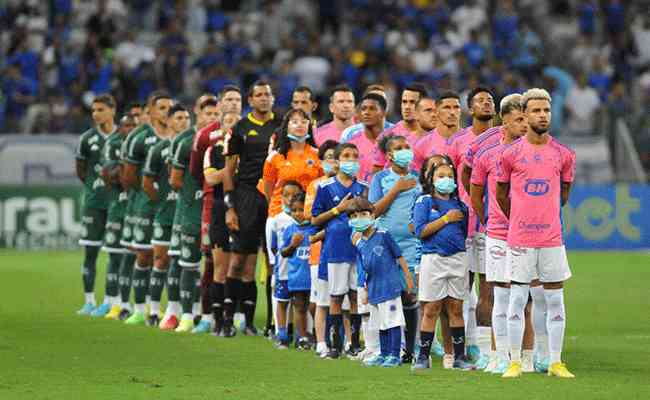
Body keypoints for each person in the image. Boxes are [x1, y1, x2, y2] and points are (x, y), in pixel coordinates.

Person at [496, 88, 576, 379]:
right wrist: (519, 218)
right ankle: (514, 362)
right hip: (520, 239)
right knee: (517, 300)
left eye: (546, 110)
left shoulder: (563, 154)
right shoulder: (510, 154)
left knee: (555, 301)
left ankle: (555, 361)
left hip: (552, 240)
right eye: (536, 111)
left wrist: (544, 216)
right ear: (525, 116)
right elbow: (501, 193)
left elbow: (564, 193)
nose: (542, 115)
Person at [469, 93, 531, 373]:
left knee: (525, 297)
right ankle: (496, 355)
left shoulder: (534, 153)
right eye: (519, 119)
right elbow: (475, 190)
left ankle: (525, 357)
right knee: (498, 295)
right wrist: (487, 219)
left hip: (528, 234)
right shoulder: (487, 154)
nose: (525, 124)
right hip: (497, 232)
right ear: (503, 121)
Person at [222, 80, 282, 337]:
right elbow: (228, 169)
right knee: (239, 261)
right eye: (259, 95)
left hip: (274, 195)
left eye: (268, 94)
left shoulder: (281, 125)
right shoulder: (240, 128)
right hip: (246, 195)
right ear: (250, 100)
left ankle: (268, 323)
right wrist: (230, 206)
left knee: (272, 263)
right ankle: (227, 320)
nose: (264, 98)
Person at [160, 94, 218, 330]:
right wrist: (194, 193)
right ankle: (180, 313)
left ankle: (208, 313)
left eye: (216, 114)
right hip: (190, 210)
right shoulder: (184, 140)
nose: (213, 118)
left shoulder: (224, 138)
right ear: (199, 115)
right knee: (184, 261)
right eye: (208, 114)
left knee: (214, 264)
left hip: (215, 209)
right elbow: (174, 180)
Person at [448, 86, 496, 361]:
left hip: (492, 223)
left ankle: (485, 350)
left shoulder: (503, 138)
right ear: (470, 108)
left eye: (490, 100)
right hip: (464, 222)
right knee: (462, 288)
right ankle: (463, 344)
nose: (486, 103)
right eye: (480, 100)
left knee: (489, 286)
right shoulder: (458, 141)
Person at [412, 160, 475, 371]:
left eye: (449, 175)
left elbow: (463, 233)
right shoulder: (424, 202)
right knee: (431, 308)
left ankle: (459, 357)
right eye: (440, 175)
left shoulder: (461, 206)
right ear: (431, 179)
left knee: (456, 308)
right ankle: (422, 357)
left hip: (457, 258)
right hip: (433, 259)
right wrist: (445, 220)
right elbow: (420, 231)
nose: (446, 179)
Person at [189, 86, 242, 334]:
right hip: (214, 203)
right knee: (212, 261)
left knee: (242, 261)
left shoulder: (249, 135)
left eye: (236, 100)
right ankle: (209, 313)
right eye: (228, 99)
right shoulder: (206, 137)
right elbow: (196, 172)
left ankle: (239, 314)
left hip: (244, 203)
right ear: (221, 104)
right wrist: (218, 180)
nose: (232, 103)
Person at [311, 142, 368, 359]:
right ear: (337, 160)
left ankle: (353, 344)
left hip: (357, 248)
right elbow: (315, 219)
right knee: (335, 297)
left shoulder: (363, 187)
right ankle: (334, 345)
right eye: (346, 155)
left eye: (355, 156)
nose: (351, 160)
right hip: (335, 248)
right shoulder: (325, 188)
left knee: (355, 295)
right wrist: (338, 209)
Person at [368, 135, 421, 364]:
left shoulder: (419, 178)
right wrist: (397, 189)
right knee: (387, 297)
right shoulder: (380, 178)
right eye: (398, 148)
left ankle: (409, 350)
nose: (404, 151)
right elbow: (373, 211)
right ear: (389, 155)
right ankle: (387, 350)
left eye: (406, 147)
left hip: (412, 246)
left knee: (409, 295)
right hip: (385, 247)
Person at [123, 92, 174, 325]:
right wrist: (148, 197)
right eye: (161, 107)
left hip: (172, 207)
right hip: (145, 205)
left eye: (168, 107)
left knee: (165, 258)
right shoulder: (139, 137)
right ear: (151, 111)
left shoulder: (179, 137)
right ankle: (139, 308)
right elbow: (130, 175)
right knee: (144, 255)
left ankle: (160, 309)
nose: (165, 111)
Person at [141, 104, 190, 327]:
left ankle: (188, 310)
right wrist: (161, 200)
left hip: (186, 212)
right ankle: (154, 310)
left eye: (186, 117)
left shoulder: (194, 146)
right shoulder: (158, 149)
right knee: (161, 259)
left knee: (185, 262)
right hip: (165, 213)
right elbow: (146, 182)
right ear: (169, 121)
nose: (183, 122)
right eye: (178, 118)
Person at [350, 198, 414, 368]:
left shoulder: (383, 235)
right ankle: (383, 354)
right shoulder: (360, 243)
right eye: (355, 216)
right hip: (374, 290)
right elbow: (364, 268)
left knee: (392, 321)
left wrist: (408, 278)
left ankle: (395, 354)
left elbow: (399, 256)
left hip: (390, 287)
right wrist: (364, 289)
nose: (360, 219)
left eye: (363, 214)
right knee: (380, 323)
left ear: (372, 215)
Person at [75, 94, 116, 315]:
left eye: (100, 109)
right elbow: (81, 170)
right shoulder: (86, 138)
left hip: (116, 204)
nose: (96, 114)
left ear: (112, 111)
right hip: (93, 202)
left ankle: (109, 301)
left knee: (114, 252)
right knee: (90, 252)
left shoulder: (123, 136)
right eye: (93, 110)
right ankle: (89, 301)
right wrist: (95, 186)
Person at [204, 110, 242, 336]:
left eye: (236, 121)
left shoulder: (246, 151)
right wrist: (229, 171)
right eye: (227, 121)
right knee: (220, 267)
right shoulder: (213, 150)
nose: (231, 125)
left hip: (242, 207)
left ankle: (230, 319)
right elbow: (209, 178)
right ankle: (218, 321)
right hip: (219, 208)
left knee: (236, 267)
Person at [96, 114, 136, 319]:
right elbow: (109, 175)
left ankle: (129, 304)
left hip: (135, 208)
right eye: (125, 125)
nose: (129, 128)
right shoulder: (113, 143)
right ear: (120, 128)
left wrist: (125, 171)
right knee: (114, 256)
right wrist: (125, 171)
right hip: (117, 208)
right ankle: (111, 303)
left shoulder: (140, 143)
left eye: (132, 125)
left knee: (133, 258)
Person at [304, 140, 339, 357]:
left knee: (346, 300)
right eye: (328, 158)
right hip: (320, 251)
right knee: (322, 301)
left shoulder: (352, 184)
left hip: (346, 249)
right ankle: (320, 342)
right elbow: (311, 216)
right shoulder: (316, 186)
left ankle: (344, 342)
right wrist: (337, 211)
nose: (333, 163)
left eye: (337, 158)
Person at [263, 108, 322, 219]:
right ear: (286, 127)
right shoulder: (274, 157)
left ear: (309, 127)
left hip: (310, 215)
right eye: (294, 122)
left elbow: (322, 185)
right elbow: (268, 191)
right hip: (279, 214)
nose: (299, 125)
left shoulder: (319, 156)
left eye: (304, 122)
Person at [267, 181, 303, 348]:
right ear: (280, 197)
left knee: (299, 304)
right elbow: (274, 247)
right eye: (286, 195)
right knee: (282, 302)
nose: (290, 199)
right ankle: (281, 334)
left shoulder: (306, 219)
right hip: (282, 270)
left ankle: (299, 335)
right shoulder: (277, 220)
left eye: (294, 195)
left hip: (300, 272)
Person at [280, 192, 316, 350]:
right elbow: (283, 252)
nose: (297, 214)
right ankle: (301, 337)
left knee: (315, 307)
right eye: (294, 210)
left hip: (314, 276)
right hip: (297, 276)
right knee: (299, 307)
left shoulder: (315, 228)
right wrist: (293, 245)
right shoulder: (289, 230)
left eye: (301, 210)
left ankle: (317, 335)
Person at [373, 83, 429, 170]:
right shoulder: (387, 136)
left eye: (412, 102)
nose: (407, 107)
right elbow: (376, 172)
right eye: (404, 102)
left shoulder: (433, 136)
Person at [342, 93, 389, 182]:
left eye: (372, 108)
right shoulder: (351, 144)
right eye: (363, 109)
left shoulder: (394, 142)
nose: (366, 113)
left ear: (383, 112)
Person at [412, 91, 462, 168]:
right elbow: (415, 175)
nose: (452, 112)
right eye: (447, 107)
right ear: (437, 111)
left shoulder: (472, 141)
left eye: (456, 107)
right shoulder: (422, 144)